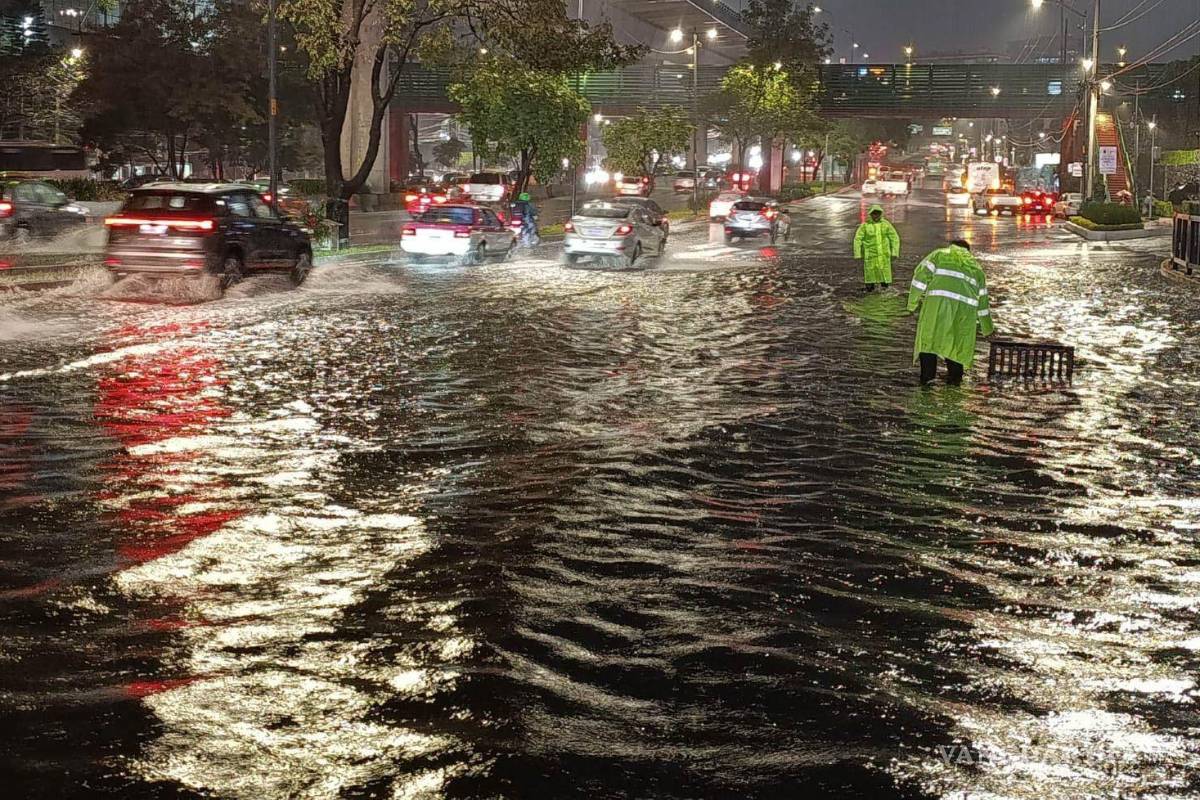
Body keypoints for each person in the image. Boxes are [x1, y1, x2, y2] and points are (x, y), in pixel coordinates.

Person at [907, 239, 994, 385]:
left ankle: (927, 383)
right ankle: (954, 385)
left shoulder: (938, 255)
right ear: (968, 251)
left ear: (952, 247)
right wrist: (988, 328)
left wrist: (912, 304)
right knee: (957, 348)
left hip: (935, 310)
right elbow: (983, 303)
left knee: (929, 343)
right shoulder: (977, 269)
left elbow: (920, 277)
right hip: (963, 316)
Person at [853, 204, 900, 291]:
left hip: (884, 256)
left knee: (884, 279)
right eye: (874, 214)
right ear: (870, 214)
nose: (876, 216)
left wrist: (895, 252)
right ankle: (870, 295)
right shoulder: (865, 226)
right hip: (871, 256)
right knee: (870, 278)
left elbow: (894, 238)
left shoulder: (886, 225)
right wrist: (857, 253)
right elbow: (857, 239)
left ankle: (884, 294)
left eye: (878, 214)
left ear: (880, 214)